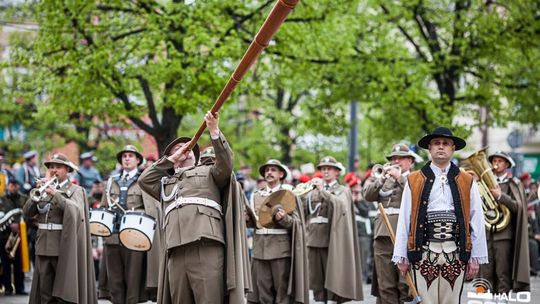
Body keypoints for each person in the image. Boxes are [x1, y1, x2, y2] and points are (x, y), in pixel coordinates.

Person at [138, 112, 251, 303]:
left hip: (205, 244)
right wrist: (170, 159)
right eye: (177, 149)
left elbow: (226, 165)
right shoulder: (166, 183)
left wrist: (214, 131)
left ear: (195, 154)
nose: (183, 150)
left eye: (187, 147)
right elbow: (144, 180)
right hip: (175, 249)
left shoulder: (209, 172)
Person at [393, 127, 488, 304]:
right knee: (426, 301)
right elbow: (405, 219)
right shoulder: (414, 180)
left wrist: (476, 256)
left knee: (451, 301)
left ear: (453, 148)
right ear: (429, 148)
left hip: (456, 250)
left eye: (445, 143)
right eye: (436, 143)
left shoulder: (467, 180)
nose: (441, 147)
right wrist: (401, 254)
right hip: (423, 250)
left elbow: (476, 219)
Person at [22, 153, 97, 304]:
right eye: (51, 167)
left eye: (58, 167)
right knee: (45, 292)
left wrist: (55, 194)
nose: (54, 170)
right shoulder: (43, 189)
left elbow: (75, 211)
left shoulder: (76, 190)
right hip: (43, 245)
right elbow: (27, 213)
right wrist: (36, 194)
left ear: (67, 170)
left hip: (64, 246)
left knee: (64, 292)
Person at [246, 159, 308, 304]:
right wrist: (247, 219)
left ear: (281, 174)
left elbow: (297, 223)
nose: (269, 172)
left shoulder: (288, 195)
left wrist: (283, 218)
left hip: (280, 250)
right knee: (263, 293)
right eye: (267, 170)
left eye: (273, 170)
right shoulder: (255, 195)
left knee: (282, 293)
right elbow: (256, 222)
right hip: (260, 249)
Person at [302, 156, 363, 303]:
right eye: (323, 169)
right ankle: (319, 300)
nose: (325, 171)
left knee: (333, 278)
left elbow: (340, 205)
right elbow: (303, 210)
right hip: (314, 239)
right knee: (316, 279)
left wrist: (323, 191)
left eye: (329, 168)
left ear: (337, 172)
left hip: (333, 240)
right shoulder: (313, 191)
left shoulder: (343, 190)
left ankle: (332, 300)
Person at [362, 143, 417, 303]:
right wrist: (381, 179)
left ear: (411, 161)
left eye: (400, 158)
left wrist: (399, 177)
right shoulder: (384, 180)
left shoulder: (414, 178)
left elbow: (415, 193)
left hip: (404, 235)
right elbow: (368, 195)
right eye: (394, 158)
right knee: (385, 285)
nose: (396, 161)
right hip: (382, 234)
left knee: (404, 283)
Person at [100, 145, 152, 304]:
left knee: (133, 279)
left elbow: (150, 207)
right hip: (113, 235)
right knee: (114, 280)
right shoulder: (111, 181)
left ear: (137, 160)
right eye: (124, 156)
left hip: (134, 236)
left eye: (130, 155)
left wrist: (136, 213)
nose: (127, 158)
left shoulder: (143, 180)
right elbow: (103, 206)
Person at [480, 151, 530, 292]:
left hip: (504, 235)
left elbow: (518, 207)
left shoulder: (513, 183)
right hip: (487, 233)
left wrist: (501, 196)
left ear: (507, 164)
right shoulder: (485, 183)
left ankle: (502, 298)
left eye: (500, 161)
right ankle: (486, 297)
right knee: (486, 271)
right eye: (494, 160)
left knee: (502, 271)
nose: (496, 163)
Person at [0, 178, 28, 296]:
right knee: (6, 263)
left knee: (19, 263)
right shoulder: (1, 200)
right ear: (8, 186)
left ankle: (20, 288)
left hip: (20, 236)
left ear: (18, 186)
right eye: (11, 185)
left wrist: (19, 224)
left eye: (15, 185)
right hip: (5, 236)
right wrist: (10, 226)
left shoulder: (24, 198)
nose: (13, 187)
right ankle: (8, 288)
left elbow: (28, 214)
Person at [351, 180, 376, 284]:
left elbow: (365, 212)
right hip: (354, 231)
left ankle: (364, 276)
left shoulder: (365, 199)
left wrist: (359, 201)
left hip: (364, 232)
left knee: (365, 255)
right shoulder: (348, 197)